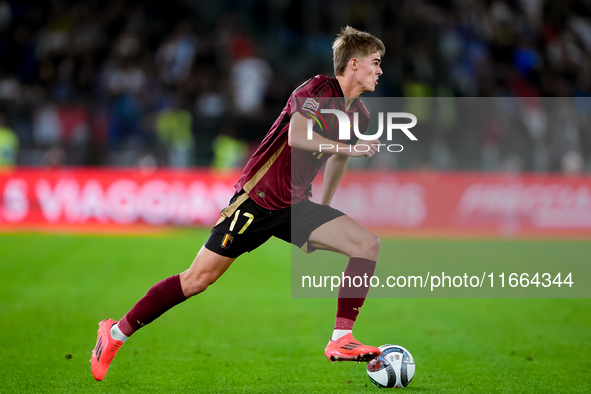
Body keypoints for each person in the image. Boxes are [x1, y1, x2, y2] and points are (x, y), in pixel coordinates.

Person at [91, 26, 385, 381]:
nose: (380, 70)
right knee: (197, 279)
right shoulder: (315, 90)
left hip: (295, 204)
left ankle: (342, 338)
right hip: (257, 200)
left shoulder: (360, 115)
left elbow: (337, 161)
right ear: (354, 64)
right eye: (375, 62)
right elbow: (298, 136)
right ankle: (115, 333)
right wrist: (349, 148)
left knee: (367, 244)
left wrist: (324, 208)